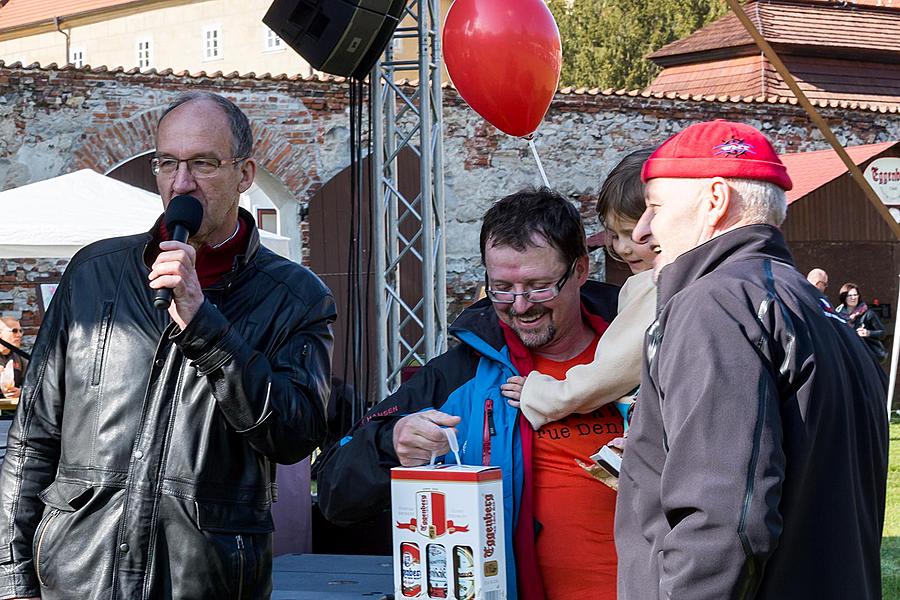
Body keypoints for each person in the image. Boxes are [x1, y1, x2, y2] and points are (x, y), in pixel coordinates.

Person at [0, 92, 336, 600]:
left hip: (204, 580)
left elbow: (295, 435)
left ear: (245, 175)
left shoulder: (297, 297)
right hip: (76, 576)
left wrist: (205, 326)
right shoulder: (95, 274)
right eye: (167, 163)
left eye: (203, 163)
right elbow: (32, 439)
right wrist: (13, 578)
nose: (181, 183)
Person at [616, 120, 888, 599]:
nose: (643, 230)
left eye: (655, 207)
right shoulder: (816, 309)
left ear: (715, 200)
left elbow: (725, 520)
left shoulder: (716, 306)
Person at [316, 189, 621, 599]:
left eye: (538, 286)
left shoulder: (646, 351)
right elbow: (335, 491)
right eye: (501, 288)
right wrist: (391, 444)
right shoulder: (460, 372)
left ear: (580, 270)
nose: (520, 305)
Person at [501, 148, 657, 432]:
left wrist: (544, 396)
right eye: (614, 234)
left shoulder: (655, 284)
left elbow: (612, 371)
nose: (623, 248)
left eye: (635, 234)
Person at [836, 282, 888, 363]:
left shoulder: (868, 314)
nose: (853, 298)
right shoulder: (837, 315)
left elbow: (883, 333)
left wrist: (868, 333)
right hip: (846, 355)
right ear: (844, 297)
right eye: (850, 295)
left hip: (865, 356)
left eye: (855, 295)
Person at [0, 317, 28, 398]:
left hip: (10, 408)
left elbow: (31, 384)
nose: (19, 335)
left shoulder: (20, 358)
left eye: (20, 331)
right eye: (14, 331)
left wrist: (21, 392)